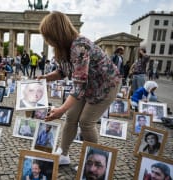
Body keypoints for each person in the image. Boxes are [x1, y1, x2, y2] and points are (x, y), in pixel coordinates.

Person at [37, 11, 120, 165]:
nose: (46, 41)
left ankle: (96, 163)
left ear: (57, 34)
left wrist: (60, 109)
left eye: (48, 37)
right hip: (87, 86)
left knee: (86, 122)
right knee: (71, 117)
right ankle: (63, 154)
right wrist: (46, 77)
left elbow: (78, 85)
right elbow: (63, 71)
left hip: (105, 86)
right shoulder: (63, 48)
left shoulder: (79, 46)